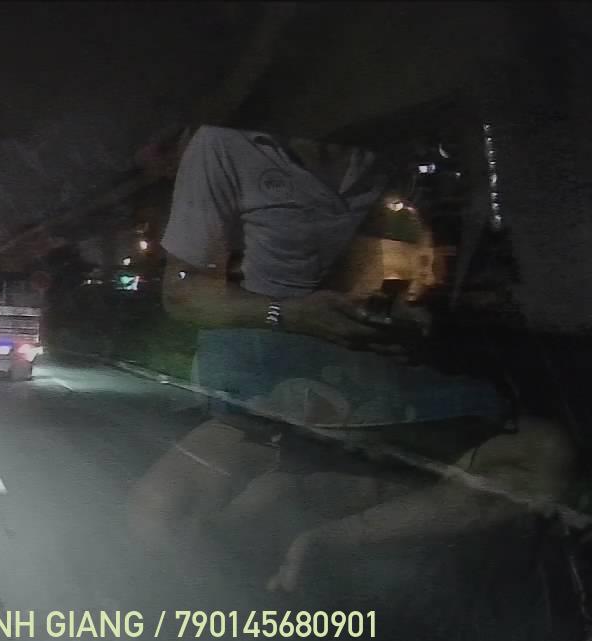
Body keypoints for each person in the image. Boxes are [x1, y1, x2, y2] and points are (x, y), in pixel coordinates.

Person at [128, 125, 577, 592]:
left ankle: (330, 542)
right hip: (272, 399)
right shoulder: (223, 145)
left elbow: (410, 275)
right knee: (161, 514)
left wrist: (411, 315)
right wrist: (291, 316)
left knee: (544, 456)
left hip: (386, 392)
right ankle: (257, 594)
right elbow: (183, 294)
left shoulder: (393, 145)